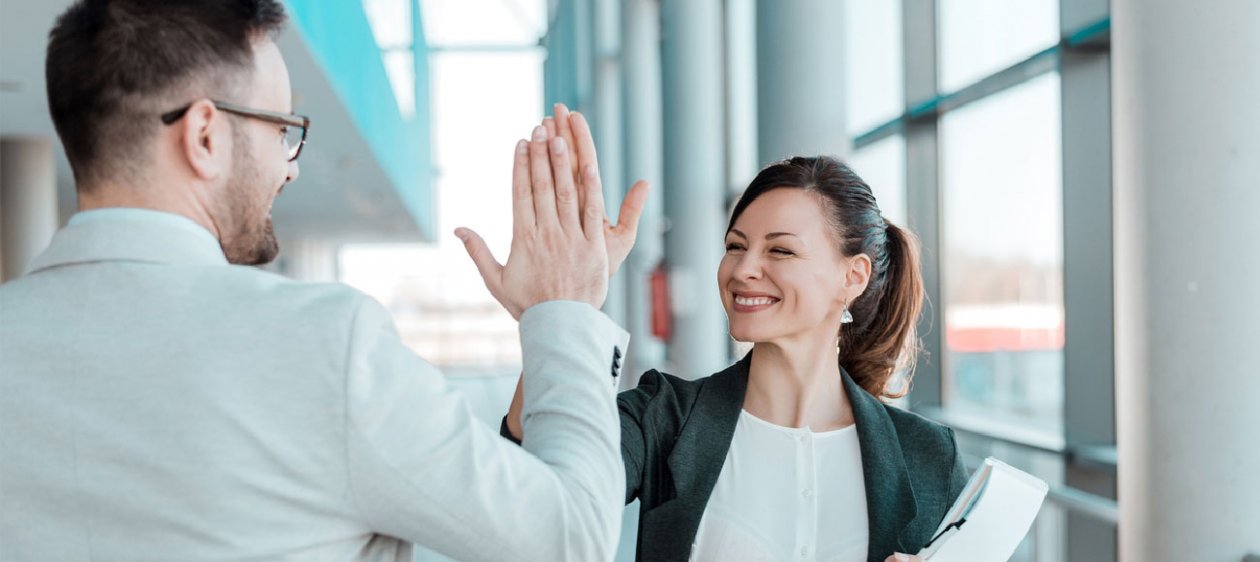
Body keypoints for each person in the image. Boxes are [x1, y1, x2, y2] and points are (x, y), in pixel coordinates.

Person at [0, 1, 641, 560]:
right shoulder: (323, 345)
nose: (291, 169)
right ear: (203, 136)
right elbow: (569, 539)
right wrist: (564, 308)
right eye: (282, 130)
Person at [492, 113, 965, 562]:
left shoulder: (927, 458)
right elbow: (534, 510)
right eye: (735, 246)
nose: (743, 269)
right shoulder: (663, 418)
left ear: (853, 276)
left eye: (779, 250)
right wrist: (553, 313)